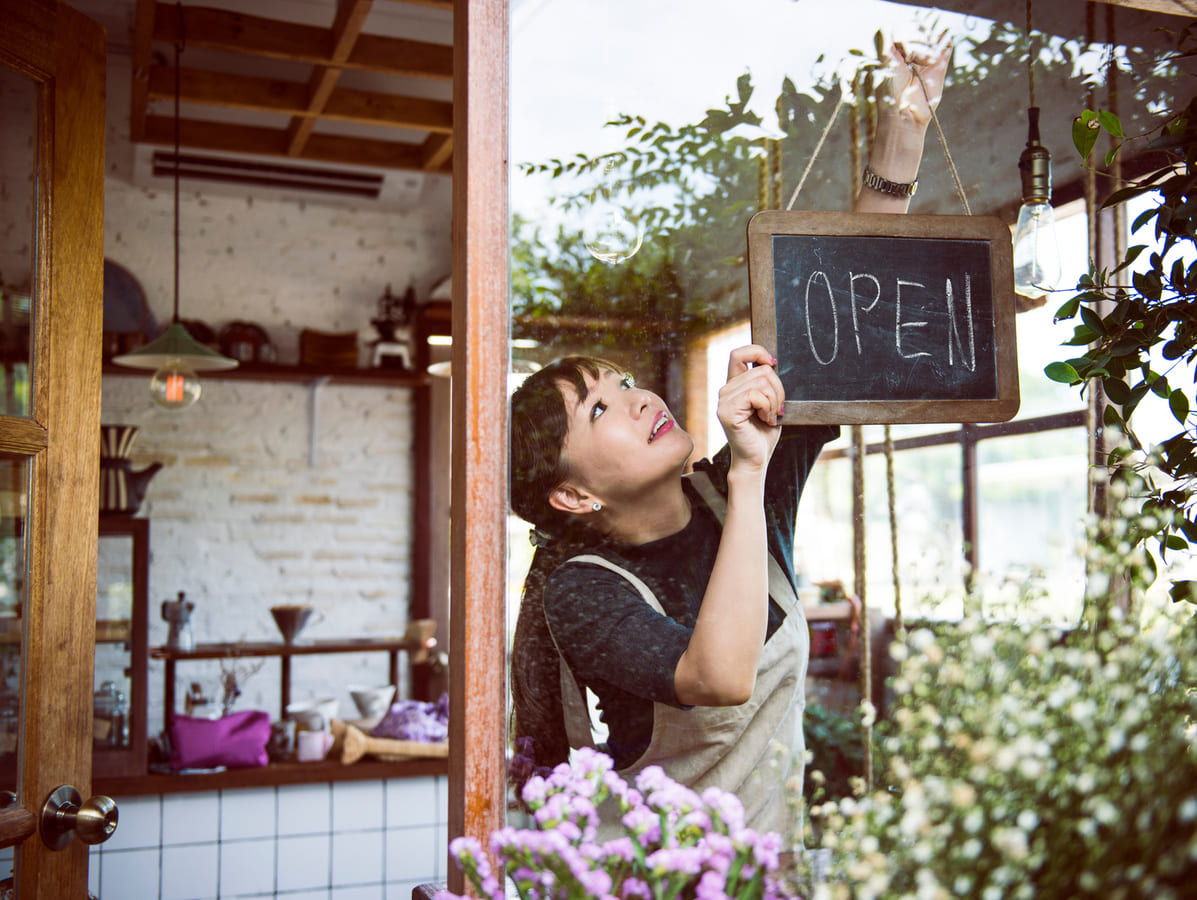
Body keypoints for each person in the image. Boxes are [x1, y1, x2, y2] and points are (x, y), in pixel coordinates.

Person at [508, 37, 952, 843]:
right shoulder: (583, 587)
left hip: (769, 877)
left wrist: (906, 124)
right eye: (601, 411)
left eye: (626, 384)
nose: (639, 400)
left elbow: (836, 316)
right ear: (573, 493)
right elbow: (715, 677)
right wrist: (747, 475)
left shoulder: (734, 485)